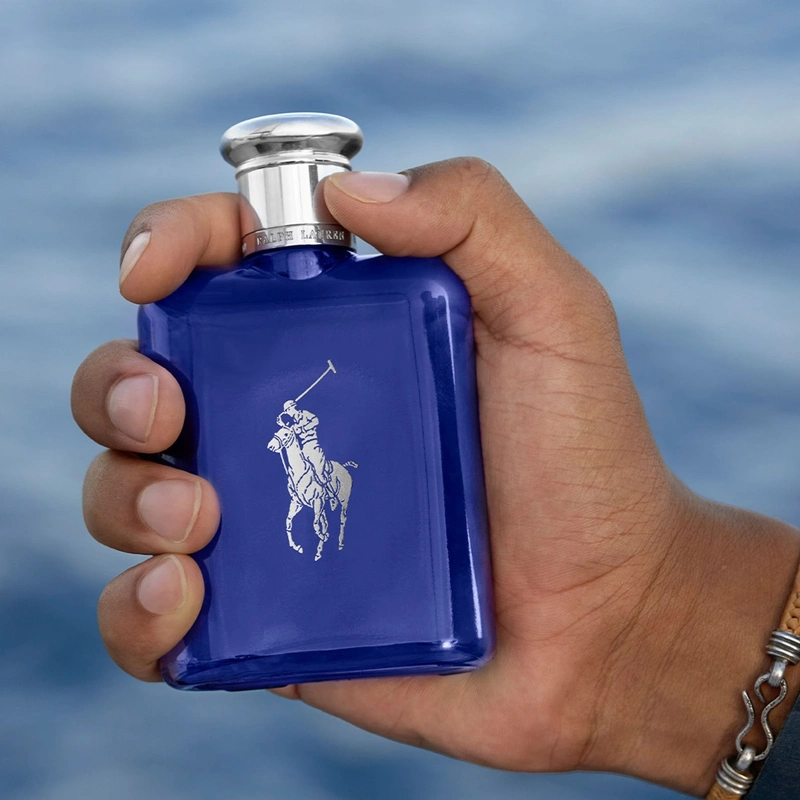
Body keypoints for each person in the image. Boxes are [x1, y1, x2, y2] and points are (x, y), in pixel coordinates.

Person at [72, 159, 800, 797]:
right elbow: (273, 437)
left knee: (316, 486)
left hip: (325, 463)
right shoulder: (229, 328)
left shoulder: (377, 338)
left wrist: (645, 610)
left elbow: (303, 433)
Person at [280, 399, 332, 498]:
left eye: (287, 410)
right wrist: (282, 424)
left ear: (292, 407)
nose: (287, 413)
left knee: (319, 472)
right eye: (286, 411)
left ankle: (330, 492)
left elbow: (316, 421)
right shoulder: (293, 423)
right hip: (303, 448)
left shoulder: (304, 414)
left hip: (313, 445)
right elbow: (289, 432)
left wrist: (303, 428)